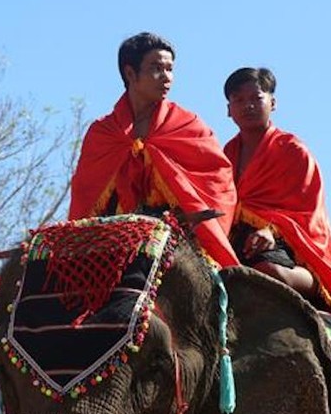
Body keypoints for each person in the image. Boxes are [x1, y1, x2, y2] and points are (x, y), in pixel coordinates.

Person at [223, 67, 331, 341]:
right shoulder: (227, 154)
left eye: (256, 98)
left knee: (266, 273)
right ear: (228, 110)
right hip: (237, 239)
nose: (248, 106)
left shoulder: (292, 150)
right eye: (239, 100)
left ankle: (318, 290)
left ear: (272, 102)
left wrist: (271, 230)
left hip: (286, 242)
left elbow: (306, 210)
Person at [68, 32, 239, 267]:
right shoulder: (102, 133)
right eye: (157, 68)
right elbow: (85, 194)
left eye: (170, 69)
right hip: (112, 233)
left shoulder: (189, 126)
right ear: (130, 73)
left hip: (176, 235)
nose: (166, 77)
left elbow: (218, 183)